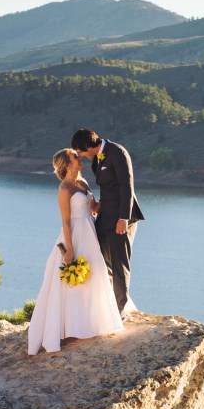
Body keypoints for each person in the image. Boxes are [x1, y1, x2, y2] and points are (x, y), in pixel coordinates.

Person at [27, 149, 124, 355]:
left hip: (90, 235)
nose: (80, 158)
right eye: (75, 156)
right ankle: (68, 328)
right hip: (75, 237)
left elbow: (95, 208)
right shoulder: (64, 189)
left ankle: (89, 324)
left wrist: (111, 192)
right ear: (66, 164)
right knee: (70, 283)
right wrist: (69, 248)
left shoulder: (84, 183)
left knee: (92, 277)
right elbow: (65, 221)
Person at [71, 129, 143, 316]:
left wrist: (123, 218)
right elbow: (109, 187)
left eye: (81, 151)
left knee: (120, 264)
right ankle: (107, 305)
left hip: (121, 218)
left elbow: (127, 187)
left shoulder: (118, 152)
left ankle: (120, 311)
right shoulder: (98, 156)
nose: (81, 156)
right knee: (103, 262)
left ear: (88, 146)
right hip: (105, 217)